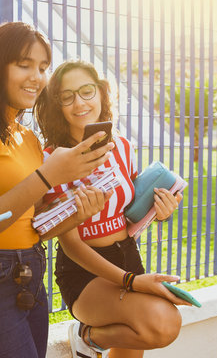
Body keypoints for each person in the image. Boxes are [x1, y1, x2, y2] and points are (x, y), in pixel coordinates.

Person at [0, 22, 114, 358]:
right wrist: (47, 176)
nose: (36, 77)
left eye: (43, 67)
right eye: (24, 64)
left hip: (30, 274)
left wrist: (78, 210)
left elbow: (32, 226)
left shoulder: (27, 138)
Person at [35, 60, 188, 358]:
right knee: (164, 323)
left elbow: (127, 214)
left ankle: (91, 339)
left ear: (102, 94)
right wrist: (129, 281)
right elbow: (71, 245)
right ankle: (88, 338)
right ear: (57, 105)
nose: (79, 102)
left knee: (142, 340)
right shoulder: (51, 159)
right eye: (67, 96)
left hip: (129, 257)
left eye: (87, 91)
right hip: (85, 270)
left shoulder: (122, 147)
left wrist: (161, 212)